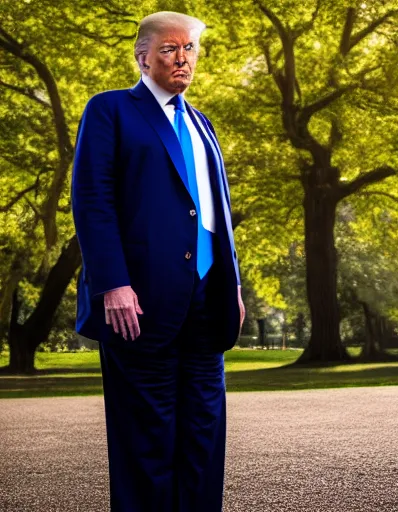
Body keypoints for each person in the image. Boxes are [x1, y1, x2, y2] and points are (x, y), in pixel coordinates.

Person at [70, 11, 245, 511]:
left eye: (190, 49)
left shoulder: (201, 122)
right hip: (138, 302)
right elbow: (93, 200)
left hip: (207, 301)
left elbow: (215, 208)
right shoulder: (110, 111)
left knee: (204, 435)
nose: (182, 58)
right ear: (143, 57)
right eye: (170, 49)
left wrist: (231, 285)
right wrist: (112, 284)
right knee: (145, 440)